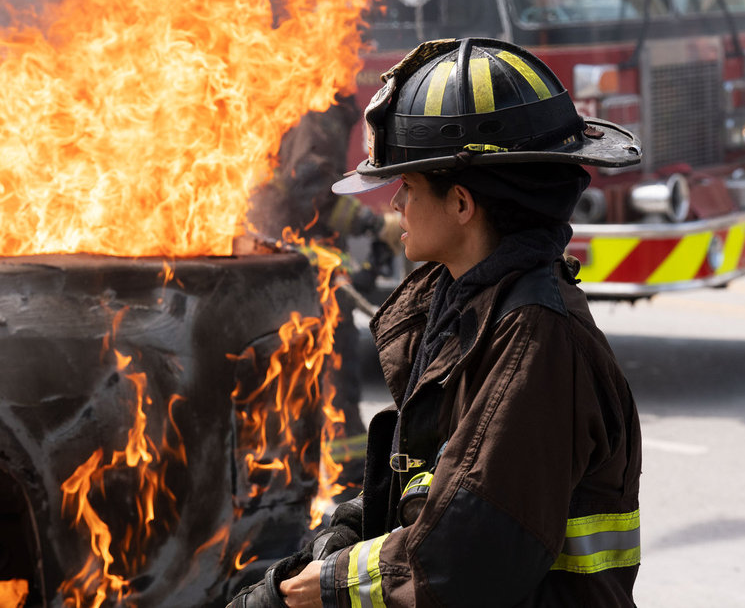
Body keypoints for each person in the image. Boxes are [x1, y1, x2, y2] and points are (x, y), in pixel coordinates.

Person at [228, 37, 643, 607]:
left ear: (462, 204)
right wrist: (346, 529)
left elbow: (461, 559)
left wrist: (323, 587)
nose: (394, 204)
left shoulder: (535, 340)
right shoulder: (466, 307)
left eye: (410, 185)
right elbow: (428, 479)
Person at [246, 94, 401, 500]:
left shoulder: (304, 103)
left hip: (284, 270)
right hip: (308, 275)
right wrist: (374, 224)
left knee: (301, 382)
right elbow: (312, 194)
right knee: (332, 379)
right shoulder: (320, 112)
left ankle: (296, 483)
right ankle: (349, 486)